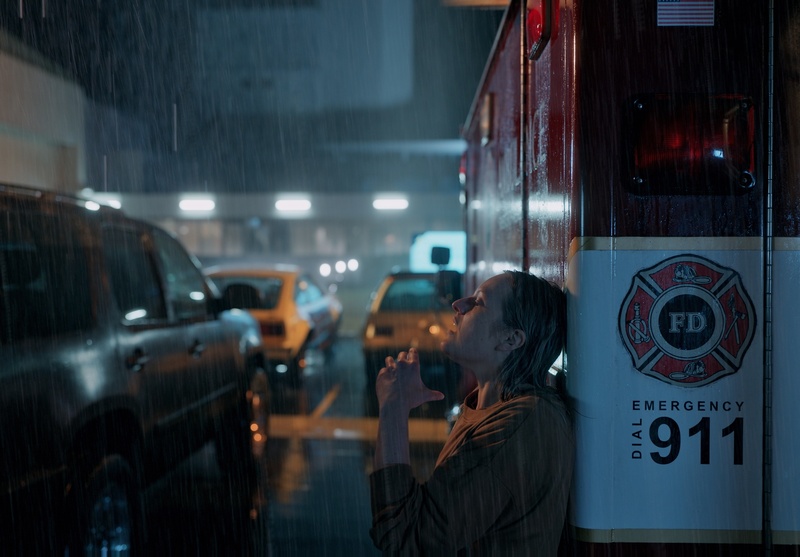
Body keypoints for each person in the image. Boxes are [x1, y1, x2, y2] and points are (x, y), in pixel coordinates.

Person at [369, 271, 574, 556]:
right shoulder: (497, 407)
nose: (458, 304)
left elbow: (406, 538)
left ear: (511, 338)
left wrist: (394, 407)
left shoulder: (518, 427)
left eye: (478, 302)